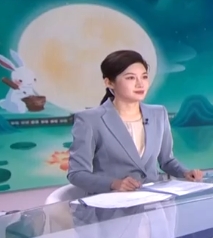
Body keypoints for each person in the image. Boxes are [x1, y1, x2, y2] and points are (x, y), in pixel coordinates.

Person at [67, 50, 202, 195]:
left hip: (154, 200)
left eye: (144, 77)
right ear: (109, 82)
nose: (140, 84)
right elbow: (77, 173)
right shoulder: (90, 120)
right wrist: (114, 184)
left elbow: (167, 161)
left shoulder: (158, 114)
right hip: (112, 202)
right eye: (131, 78)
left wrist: (185, 172)